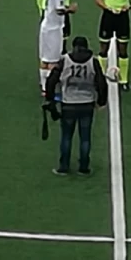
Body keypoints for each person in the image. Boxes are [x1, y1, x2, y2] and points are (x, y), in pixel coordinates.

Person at [47, 35, 105, 175]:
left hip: (68, 103)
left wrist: (51, 99)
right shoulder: (93, 61)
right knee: (85, 137)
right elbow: (101, 82)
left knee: (66, 136)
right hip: (87, 103)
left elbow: (51, 80)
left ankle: (64, 166)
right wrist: (101, 101)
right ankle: (84, 167)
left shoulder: (65, 60)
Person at [38, 0, 74, 94]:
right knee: (53, 61)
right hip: (54, 28)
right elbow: (59, 10)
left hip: (46, 25)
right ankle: (50, 89)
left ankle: (44, 87)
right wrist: (71, 9)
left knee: (44, 59)